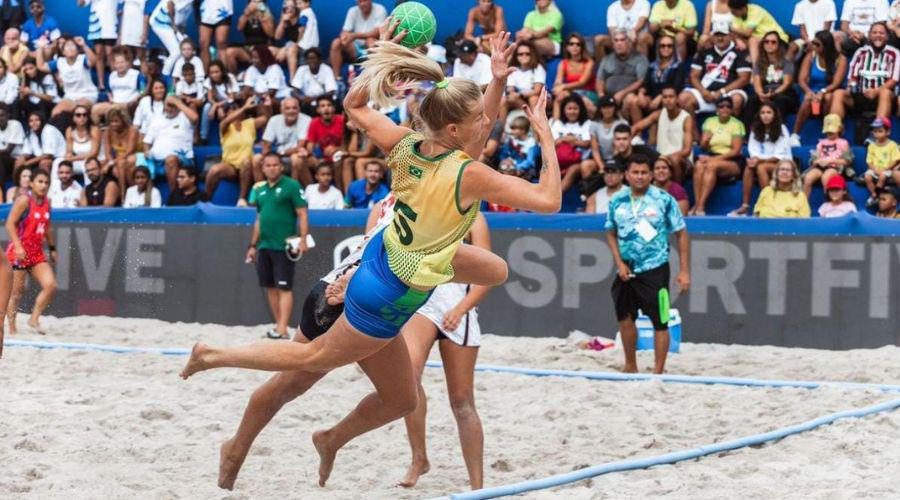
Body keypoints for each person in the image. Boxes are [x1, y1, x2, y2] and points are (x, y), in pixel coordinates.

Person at [179, 30, 562, 491]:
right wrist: (544, 136)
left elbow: (357, 106)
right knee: (307, 363)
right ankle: (214, 355)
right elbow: (548, 199)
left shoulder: (408, 145)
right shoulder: (469, 173)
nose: (485, 121)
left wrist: (385, 57)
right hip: (383, 292)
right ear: (457, 129)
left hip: (382, 264)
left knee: (406, 392)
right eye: (477, 116)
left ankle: (329, 438)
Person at [397, 211, 492, 490]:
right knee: (409, 380)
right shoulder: (414, 206)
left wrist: (462, 308)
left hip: (457, 306)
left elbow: (487, 275)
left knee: (462, 401)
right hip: (422, 303)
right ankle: (419, 458)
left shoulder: (475, 218)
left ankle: (478, 487)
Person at [606, 155, 690, 374]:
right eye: (635, 172)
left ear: (651, 175)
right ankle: (630, 365)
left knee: (660, 321)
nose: (640, 177)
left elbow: (681, 234)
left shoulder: (664, 199)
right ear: (626, 175)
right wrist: (619, 263)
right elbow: (610, 232)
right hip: (626, 270)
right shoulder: (617, 200)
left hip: (655, 268)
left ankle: (658, 371)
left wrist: (684, 271)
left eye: (644, 172)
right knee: (625, 319)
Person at [247, 152, 309, 339]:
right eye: (268, 165)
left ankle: (282, 328)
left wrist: (304, 238)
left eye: (275, 165)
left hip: (285, 245)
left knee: (284, 287)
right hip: (264, 245)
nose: (272, 168)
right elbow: (259, 219)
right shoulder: (260, 190)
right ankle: (278, 326)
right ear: (263, 168)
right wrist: (252, 245)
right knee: (270, 287)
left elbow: (303, 213)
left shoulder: (292, 186)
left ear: (281, 167)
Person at [5, 168, 55, 335]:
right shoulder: (24, 201)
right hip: (18, 253)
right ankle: (12, 328)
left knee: (50, 285)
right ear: (32, 184)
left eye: (46, 182)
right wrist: (18, 246)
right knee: (16, 293)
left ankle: (33, 319)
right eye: (40, 182)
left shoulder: (48, 202)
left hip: (36, 252)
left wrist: (52, 247)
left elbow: (46, 227)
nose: (44, 185)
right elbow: (9, 224)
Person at [207, 95, 270, 204]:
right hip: (230, 166)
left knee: (246, 162)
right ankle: (206, 199)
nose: (237, 112)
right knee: (214, 170)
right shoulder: (224, 126)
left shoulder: (249, 124)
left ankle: (242, 199)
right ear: (227, 113)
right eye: (233, 110)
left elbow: (265, 118)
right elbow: (226, 121)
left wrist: (266, 105)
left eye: (237, 109)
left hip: (247, 166)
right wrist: (245, 107)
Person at [730, 103, 791, 216]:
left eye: (769, 112)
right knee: (750, 167)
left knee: (761, 167)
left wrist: (759, 160)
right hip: (762, 162)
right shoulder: (755, 128)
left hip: (782, 163)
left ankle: (768, 204)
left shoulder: (782, 128)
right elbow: (753, 149)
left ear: (774, 115)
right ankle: (745, 206)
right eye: (762, 113)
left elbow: (779, 155)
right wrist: (754, 160)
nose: (765, 116)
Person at [831, 22, 899, 120]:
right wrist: (851, 86)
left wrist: (876, 91)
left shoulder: (894, 54)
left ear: (887, 37)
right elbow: (852, 77)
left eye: (881, 33)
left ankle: (879, 130)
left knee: (885, 93)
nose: (878, 35)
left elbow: (893, 80)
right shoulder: (860, 52)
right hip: (862, 95)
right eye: (874, 33)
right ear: (869, 35)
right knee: (839, 93)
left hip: (883, 96)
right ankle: (834, 132)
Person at [678, 27, 751, 117]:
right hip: (705, 92)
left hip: (728, 92)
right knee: (683, 98)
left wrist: (721, 92)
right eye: (717, 35)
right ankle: (693, 131)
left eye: (723, 35)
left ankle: (730, 130)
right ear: (712, 37)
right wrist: (703, 92)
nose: (720, 38)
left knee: (737, 100)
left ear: (731, 36)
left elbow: (744, 79)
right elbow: (693, 76)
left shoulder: (739, 53)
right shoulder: (704, 52)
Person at [791, 30, 847, 146]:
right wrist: (809, 91)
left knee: (828, 97)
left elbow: (836, 83)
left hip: (829, 90)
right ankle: (795, 135)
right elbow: (801, 79)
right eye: (813, 43)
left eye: (817, 44)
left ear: (826, 46)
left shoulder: (841, 59)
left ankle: (827, 133)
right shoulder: (811, 56)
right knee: (808, 99)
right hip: (812, 89)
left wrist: (823, 91)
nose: (814, 46)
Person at [692, 96, 745, 215]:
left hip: (732, 159)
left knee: (711, 166)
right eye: (721, 106)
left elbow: (736, 151)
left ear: (732, 109)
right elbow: (703, 147)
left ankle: (700, 206)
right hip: (712, 155)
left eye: (728, 106)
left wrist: (712, 159)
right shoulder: (709, 122)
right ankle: (697, 203)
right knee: (699, 165)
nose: (725, 109)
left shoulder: (737, 124)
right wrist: (704, 142)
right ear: (717, 109)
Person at [631, 85, 693, 182]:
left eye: (671, 97)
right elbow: (637, 127)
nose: (668, 100)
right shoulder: (659, 114)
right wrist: (627, 140)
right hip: (660, 158)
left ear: (676, 99)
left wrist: (666, 158)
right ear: (662, 100)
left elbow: (687, 150)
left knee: (674, 159)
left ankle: (676, 191)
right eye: (665, 97)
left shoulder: (686, 118)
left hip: (681, 160)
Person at [623, 34, 685, 124]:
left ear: (673, 48)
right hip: (651, 99)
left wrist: (660, 97)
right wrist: (641, 94)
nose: (666, 48)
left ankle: (641, 128)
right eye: (662, 46)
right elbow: (645, 83)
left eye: (669, 46)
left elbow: (676, 87)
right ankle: (638, 135)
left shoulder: (678, 66)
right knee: (633, 101)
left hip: (667, 100)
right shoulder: (653, 65)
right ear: (658, 48)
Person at [143, 95, 198, 191]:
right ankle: (136, 197)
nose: (169, 108)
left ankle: (174, 197)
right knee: (131, 160)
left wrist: (177, 102)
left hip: (182, 160)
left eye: (172, 106)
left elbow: (195, 118)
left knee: (170, 159)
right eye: (167, 105)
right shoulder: (157, 119)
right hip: (156, 161)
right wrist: (147, 151)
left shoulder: (184, 117)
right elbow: (147, 142)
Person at [36, 36, 98, 117]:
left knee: (79, 110)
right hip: (70, 96)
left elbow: (93, 61)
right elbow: (41, 66)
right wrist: (40, 48)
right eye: (67, 46)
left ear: (77, 51)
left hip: (87, 95)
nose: (70, 48)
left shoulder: (82, 59)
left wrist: (84, 45)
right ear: (63, 52)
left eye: (72, 46)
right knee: (55, 113)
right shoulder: (59, 62)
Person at [256, 96, 311, 186]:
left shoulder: (306, 119)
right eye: (287, 108)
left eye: (294, 108)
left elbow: (300, 146)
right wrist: (271, 157)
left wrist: (281, 153)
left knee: (296, 158)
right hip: (278, 156)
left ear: (299, 109)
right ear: (282, 110)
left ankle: (292, 190)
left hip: (295, 157)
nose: (291, 111)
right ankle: (260, 191)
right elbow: (266, 145)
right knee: (256, 159)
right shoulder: (274, 120)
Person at [329, 0, 388, 82]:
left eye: (365, 1)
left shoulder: (380, 10)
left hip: (372, 49)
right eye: (360, 1)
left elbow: (376, 33)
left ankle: (373, 79)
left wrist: (354, 35)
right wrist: (344, 37)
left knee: (371, 42)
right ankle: (337, 80)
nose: (363, 4)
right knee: (336, 43)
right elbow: (345, 30)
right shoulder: (352, 11)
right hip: (355, 49)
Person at [747, 31, 798, 119]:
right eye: (766, 42)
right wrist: (761, 94)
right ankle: (750, 132)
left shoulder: (787, 63)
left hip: (784, 94)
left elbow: (786, 84)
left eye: (773, 42)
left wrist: (773, 94)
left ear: (779, 45)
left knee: (779, 100)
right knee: (752, 101)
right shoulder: (759, 64)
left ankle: (778, 130)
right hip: (765, 92)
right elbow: (757, 84)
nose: (769, 44)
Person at [90, 47, 144, 125]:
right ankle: (100, 130)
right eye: (117, 63)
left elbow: (142, 91)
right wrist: (110, 98)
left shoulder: (136, 75)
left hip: (128, 104)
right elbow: (109, 91)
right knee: (95, 109)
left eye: (122, 62)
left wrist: (135, 100)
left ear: (127, 63)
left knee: (114, 109)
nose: (120, 65)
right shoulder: (112, 76)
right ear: (114, 64)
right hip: (114, 103)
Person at [803, 113, 852, 197]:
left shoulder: (843, 143)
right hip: (820, 167)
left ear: (839, 129)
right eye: (827, 132)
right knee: (808, 178)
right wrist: (817, 161)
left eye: (832, 131)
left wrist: (832, 161)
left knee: (826, 177)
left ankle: (828, 200)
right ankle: (803, 203)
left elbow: (847, 161)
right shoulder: (821, 143)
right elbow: (814, 160)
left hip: (835, 167)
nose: (829, 133)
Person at [596, 30, 649, 107]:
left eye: (622, 40)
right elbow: (600, 79)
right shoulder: (606, 59)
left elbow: (641, 80)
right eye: (616, 40)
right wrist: (601, 95)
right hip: (609, 97)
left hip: (629, 96)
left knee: (631, 99)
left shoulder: (640, 58)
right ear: (613, 44)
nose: (619, 43)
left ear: (629, 43)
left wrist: (622, 93)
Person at [726, 0, 791, 63]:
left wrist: (731, 28)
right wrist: (737, 39)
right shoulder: (737, 16)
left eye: (733, 12)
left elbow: (747, 33)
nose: (732, 14)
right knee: (729, 38)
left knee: (752, 41)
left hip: (777, 40)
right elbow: (735, 33)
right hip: (760, 41)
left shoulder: (755, 11)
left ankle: (755, 69)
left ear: (742, 8)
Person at [551, 94, 592, 192]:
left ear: (580, 109)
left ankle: (556, 195)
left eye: (575, 108)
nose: (572, 111)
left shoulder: (587, 123)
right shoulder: (558, 124)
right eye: (569, 108)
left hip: (579, 161)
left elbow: (587, 143)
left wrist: (573, 141)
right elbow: (550, 143)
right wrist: (565, 139)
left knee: (573, 169)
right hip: (559, 160)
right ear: (564, 110)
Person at [551, 33, 597, 115]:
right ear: (567, 47)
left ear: (582, 47)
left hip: (588, 93)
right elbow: (558, 81)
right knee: (559, 97)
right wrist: (558, 87)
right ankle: (556, 125)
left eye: (578, 44)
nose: (574, 47)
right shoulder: (563, 63)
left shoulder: (589, 62)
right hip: (570, 93)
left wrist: (563, 86)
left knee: (583, 101)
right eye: (571, 44)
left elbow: (582, 82)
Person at [148, 0, 195, 76]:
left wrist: (180, 32)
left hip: (171, 25)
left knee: (183, 49)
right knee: (176, 51)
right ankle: (165, 75)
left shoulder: (191, 5)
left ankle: (177, 74)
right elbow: (170, 3)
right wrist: (174, 25)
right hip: (160, 22)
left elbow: (182, 19)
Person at [502, 41, 545, 120]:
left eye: (527, 54)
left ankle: (536, 128)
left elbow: (537, 91)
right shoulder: (513, 68)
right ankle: (501, 130)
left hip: (535, 99)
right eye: (520, 54)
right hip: (519, 100)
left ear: (532, 55)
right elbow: (510, 89)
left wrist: (519, 95)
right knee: (503, 100)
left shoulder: (538, 68)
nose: (524, 56)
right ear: (516, 56)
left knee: (533, 99)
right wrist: (512, 94)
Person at [289, 47, 337, 115]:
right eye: (309, 58)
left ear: (319, 60)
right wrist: (301, 98)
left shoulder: (326, 69)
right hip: (306, 102)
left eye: (314, 58)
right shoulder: (301, 69)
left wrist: (314, 99)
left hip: (323, 101)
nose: (311, 61)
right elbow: (294, 91)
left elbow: (331, 92)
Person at [102, 107, 138, 195]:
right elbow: (108, 152)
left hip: (134, 156)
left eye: (116, 121)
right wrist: (111, 162)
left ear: (123, 121)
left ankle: (124, 194)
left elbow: (130, 151)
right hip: (118, 159)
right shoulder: (108, 131)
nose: (113, 124)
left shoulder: (132, 130)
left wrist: (111, 163)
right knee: (113, 167)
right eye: (111, 122)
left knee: (122, 164)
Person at [864, 117, 900, 202]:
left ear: (888, 132)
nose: (877, 134)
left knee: (882, 176)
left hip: (887, 169)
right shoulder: (871, 146)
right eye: (875, 131)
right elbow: (869, 161)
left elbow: (895, 160)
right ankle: (874, 195)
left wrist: (885, 169)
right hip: (874, 169)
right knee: (867, 176)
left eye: (880, 131)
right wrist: (874, 169)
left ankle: (877, 194)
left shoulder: (892, 145)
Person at [16, 110, 63, 176]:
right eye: (31, 121)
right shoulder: (30, 132)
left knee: (44, 163)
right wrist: (22, 158)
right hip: (38, 158)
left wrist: (27, 163)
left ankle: (46, 185)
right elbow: (27, 152)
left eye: (37, 120)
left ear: (42, 121)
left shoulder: (49, 130)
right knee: (19, 160)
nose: (34, 123)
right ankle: (18, 184)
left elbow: (48, 155)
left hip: (56, 158)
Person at [63, 104, 101, 182]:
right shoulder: (70, 130)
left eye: (85, 115)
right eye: (78, 115)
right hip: (78, 161)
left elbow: (93, 153)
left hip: (95, 160)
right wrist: (68, 156)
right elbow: (69, 151)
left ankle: (88, 191)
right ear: (73, 118)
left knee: (87, 165)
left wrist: (73, 158)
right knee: (58, 163)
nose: (82, 117)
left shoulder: (94, 129)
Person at [588, 95, 628, 167]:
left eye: (610, 107)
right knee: (586, 165)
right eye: (604, 107)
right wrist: (601, 166)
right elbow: (595, 149)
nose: (607, 110)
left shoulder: (622, 123)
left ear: (614, 108)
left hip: (619, 158)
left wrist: (612, 163)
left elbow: (620, 145)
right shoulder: (594, 124)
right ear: (600, 109)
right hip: (601, 159)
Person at [198, 0, 233, 71]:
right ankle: (206, 75)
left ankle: (223, 74)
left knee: (221, 42)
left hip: (223, 9)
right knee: (203, 43)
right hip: (206, 10)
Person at [19, 57, 58, 121]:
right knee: (21, 103)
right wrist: (23, 77)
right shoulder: (27, 80)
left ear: (37, 67)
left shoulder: (47, 77)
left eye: (31, 68)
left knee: (42, 102)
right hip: (34, 106)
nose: (29, 72)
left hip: (49, 105)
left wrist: (32, 93)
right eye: (26, 70)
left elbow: (50, 98)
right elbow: (21, 97)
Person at [0, 102, 23, 196]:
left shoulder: (15, 125)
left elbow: (9, 150)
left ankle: (2, 192)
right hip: (3, 159)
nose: (0, 118)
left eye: (2, 115)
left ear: (8, 115)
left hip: (16, 158)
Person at [118, 0, 148, 65]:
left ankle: (143, 75)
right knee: (127, 53)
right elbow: (122, 12)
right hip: (127, 25)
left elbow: (146, 14)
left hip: (138, 23)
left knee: (141, 54)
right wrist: (120, 33)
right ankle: (129, 74)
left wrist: (144, 33)